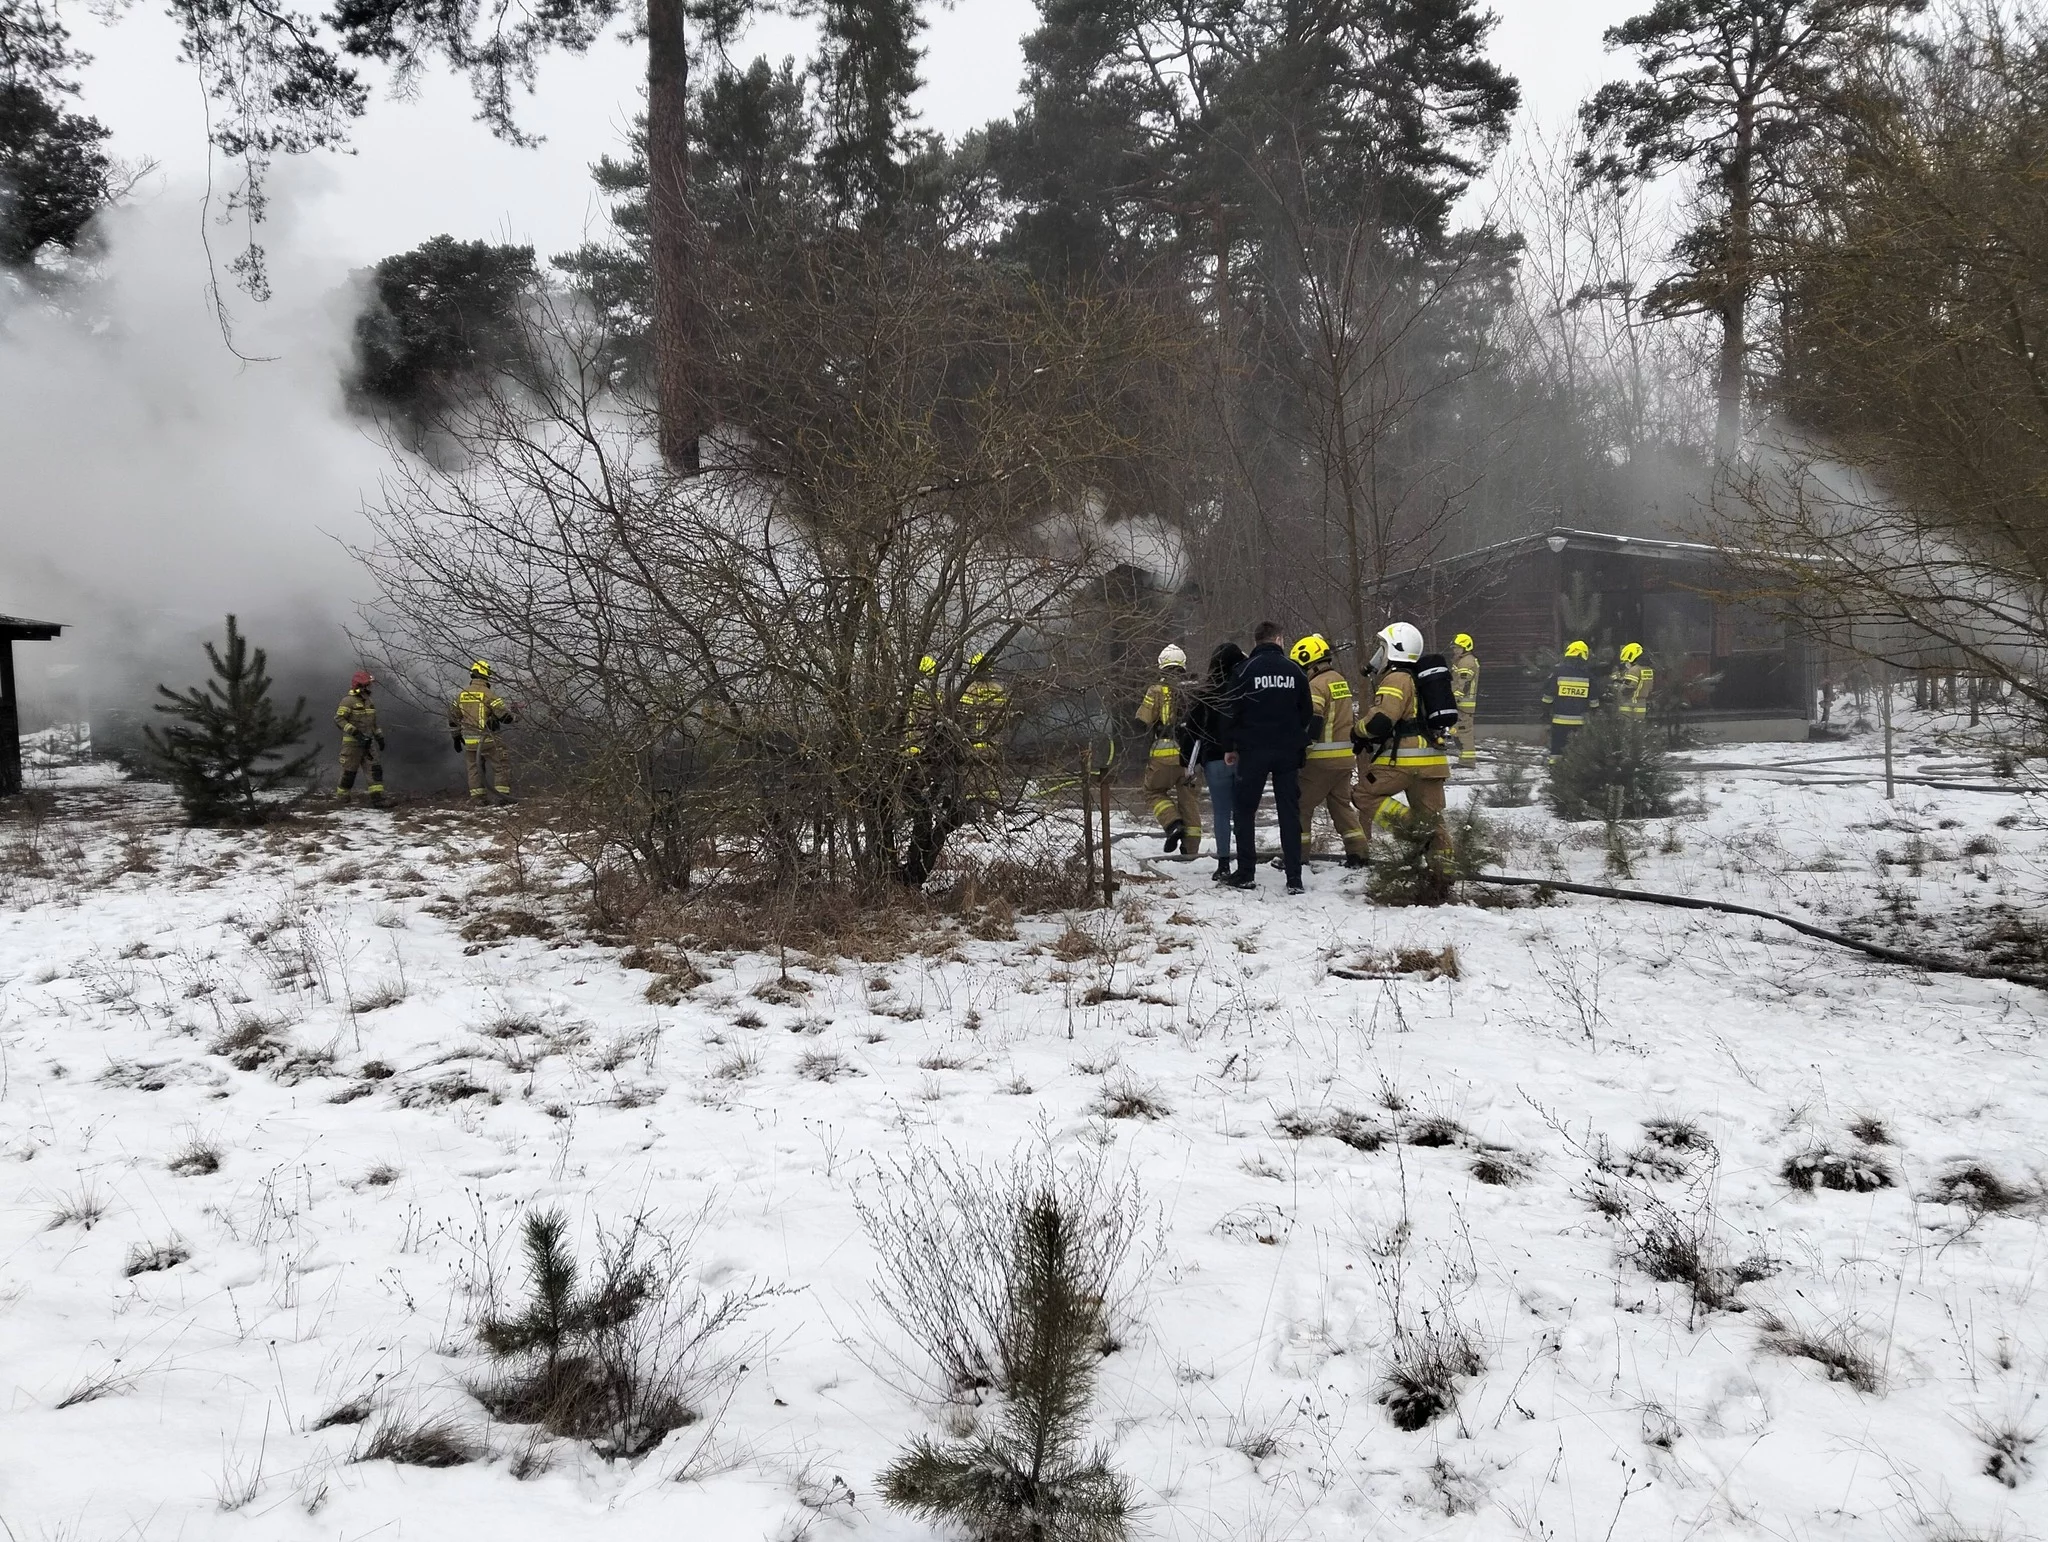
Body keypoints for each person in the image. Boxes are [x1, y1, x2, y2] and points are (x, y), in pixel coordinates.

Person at [1222, 620, 1313, 893]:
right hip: (1287, 751)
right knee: (1289, 813)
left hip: (1253, 751)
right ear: (1278, 640)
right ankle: (1294, 878)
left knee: (1245, 810)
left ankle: (1246, 872)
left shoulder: (1244, 670)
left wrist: (1230, 746)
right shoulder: (1295, 671)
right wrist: (1295, 735)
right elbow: (1307, 711)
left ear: (1257, 641)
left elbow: (1230, 712)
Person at [1353, 622, 1450, 849]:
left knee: (1363, 795)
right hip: (1433, 762)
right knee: (1434, 823)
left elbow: (1381, 721)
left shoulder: (1396, 679)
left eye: (1384, 647)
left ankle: (1413, 827)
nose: (1381, 653)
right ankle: (1443, 876)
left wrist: (1358, 731)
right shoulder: (1420, 678)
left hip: (1404, 763)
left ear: (1395, 648)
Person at [1290, 633, 1369, 867]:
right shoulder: (1339, 679)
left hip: (1321, 761)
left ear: (1309, 662)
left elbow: (1313, 720)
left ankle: (1297, 857)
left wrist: (1301, 749)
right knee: (1341, 806)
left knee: (1300, 806)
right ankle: (1358, 853)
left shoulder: (1315, 685)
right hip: (1345, 759)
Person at [1185, 640, 1245, 881]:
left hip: (1214, 760)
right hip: (1242, 757)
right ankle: (1245, 860)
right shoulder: (1243, 690)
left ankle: (1223, 863)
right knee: (1243, 812)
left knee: (1221, 813)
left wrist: (1187, 760)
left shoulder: (1204, 694)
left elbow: (1192, 729)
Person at [1136, 644, 1202, 855]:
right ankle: (1191, 850)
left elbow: (1141, 722)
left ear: (1161, 664)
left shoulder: (1156, 690)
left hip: (1163, 757)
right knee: (1189, 800)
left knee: (1153, 791)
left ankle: (1173, 824)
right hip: (1192, 756)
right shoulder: (1197, 689)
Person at [449, 659, 516, 801]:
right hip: (489, 739)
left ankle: (478, 799)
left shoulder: (461, 695)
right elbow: (505, 718)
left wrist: (456, 738)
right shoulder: (488, 694)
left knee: (474, 769)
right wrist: (515, 715)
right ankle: (502, 798)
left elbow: (452, 718)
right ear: (486, 675)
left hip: (470, 741)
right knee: (501, 766)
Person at [1541, 640, 1596, 761]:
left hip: (1559, 721)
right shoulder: (1588, 675)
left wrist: (1545, 713)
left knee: (1556, 751)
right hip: (1580, 723)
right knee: (1579, 752)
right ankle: (1575, 775)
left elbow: (1548, 696)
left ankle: (1555, 773)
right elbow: (1594, 701)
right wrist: (1594, 716)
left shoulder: (1558, 673)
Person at [334, 670, 385, 801]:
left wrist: (379, 737)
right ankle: (343, 798)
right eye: (367, 684)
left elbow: (373, 723)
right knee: (349, 773)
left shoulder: (369, 701)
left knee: (375, 770)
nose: (369, 687)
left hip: (369, 743)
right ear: (360, 685)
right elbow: (339, 719)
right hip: (352, 745)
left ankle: (378, 799)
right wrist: (355, 733)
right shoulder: (348, 701)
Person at [1449, 632, 1480, 766]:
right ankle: (1465, 758)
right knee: (1457, 731)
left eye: (1457, 647)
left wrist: (1454, 700)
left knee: (1464, 732)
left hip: (1463, 704)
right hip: (1461, 703)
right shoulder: (1462, 661)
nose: (1455, 650)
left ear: (1465, 647)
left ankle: (1467, 761)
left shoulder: (1466, 663)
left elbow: (1464, 684)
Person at [1614, 642, 1654, 719]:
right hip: (1642, 706)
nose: (1626, 664)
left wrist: (1616, 685)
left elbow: (1628, 689)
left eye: (1626, 661)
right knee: (1639, 729)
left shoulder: (1634, 670)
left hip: (1629, 708)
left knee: (1627, 730)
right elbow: (1649, 688)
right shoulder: (1648, 670)